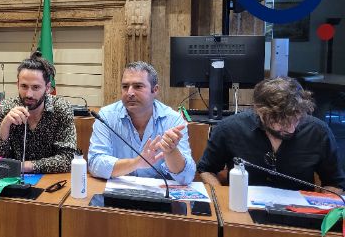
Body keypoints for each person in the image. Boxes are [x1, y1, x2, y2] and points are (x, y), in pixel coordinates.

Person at [197, 76, 345, 192]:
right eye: (281, 121)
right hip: (243, 209)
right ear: (260, 111)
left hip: (298, 214)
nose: (291, 129)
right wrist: (222, 199)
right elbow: (207, 169)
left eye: (296, 119)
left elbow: (335, 183)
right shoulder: (230, 128)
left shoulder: (318, 132)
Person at [88, 61, 195, 184]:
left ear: (155, 90)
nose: (130, 93)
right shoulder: (106, 116)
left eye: (138, 86)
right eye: (125, 86)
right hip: (119, 190)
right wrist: (137, 163)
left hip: (159, 192)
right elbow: (95, 163)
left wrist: (171, 151)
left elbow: (186, 177)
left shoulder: (173, 120)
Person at [0, 51, 77, 173]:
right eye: (24, 86)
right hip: (14, 179)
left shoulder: (61, 108)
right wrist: (5, 125)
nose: (29, 94)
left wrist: (26, 166)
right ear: (17, 85)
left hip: (51, 179)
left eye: (36, 87)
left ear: (47, 88)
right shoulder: (6, 108)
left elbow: (68, 159)